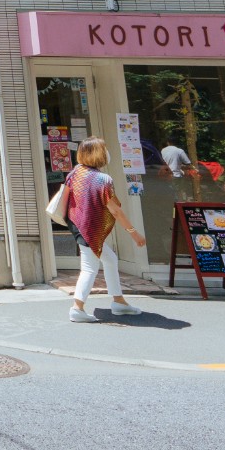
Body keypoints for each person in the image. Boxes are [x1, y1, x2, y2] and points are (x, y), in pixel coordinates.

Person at [64, 137, 145, 323]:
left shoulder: (75, 173)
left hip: (78, 225)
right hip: (90, 230)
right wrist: (134, 233)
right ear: (99, 154)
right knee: (89, 269)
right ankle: (77, 307)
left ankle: (119, 302)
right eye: (105, 149)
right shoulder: (103, 180)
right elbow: (115, 211)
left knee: (110, 259)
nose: (107, 153)